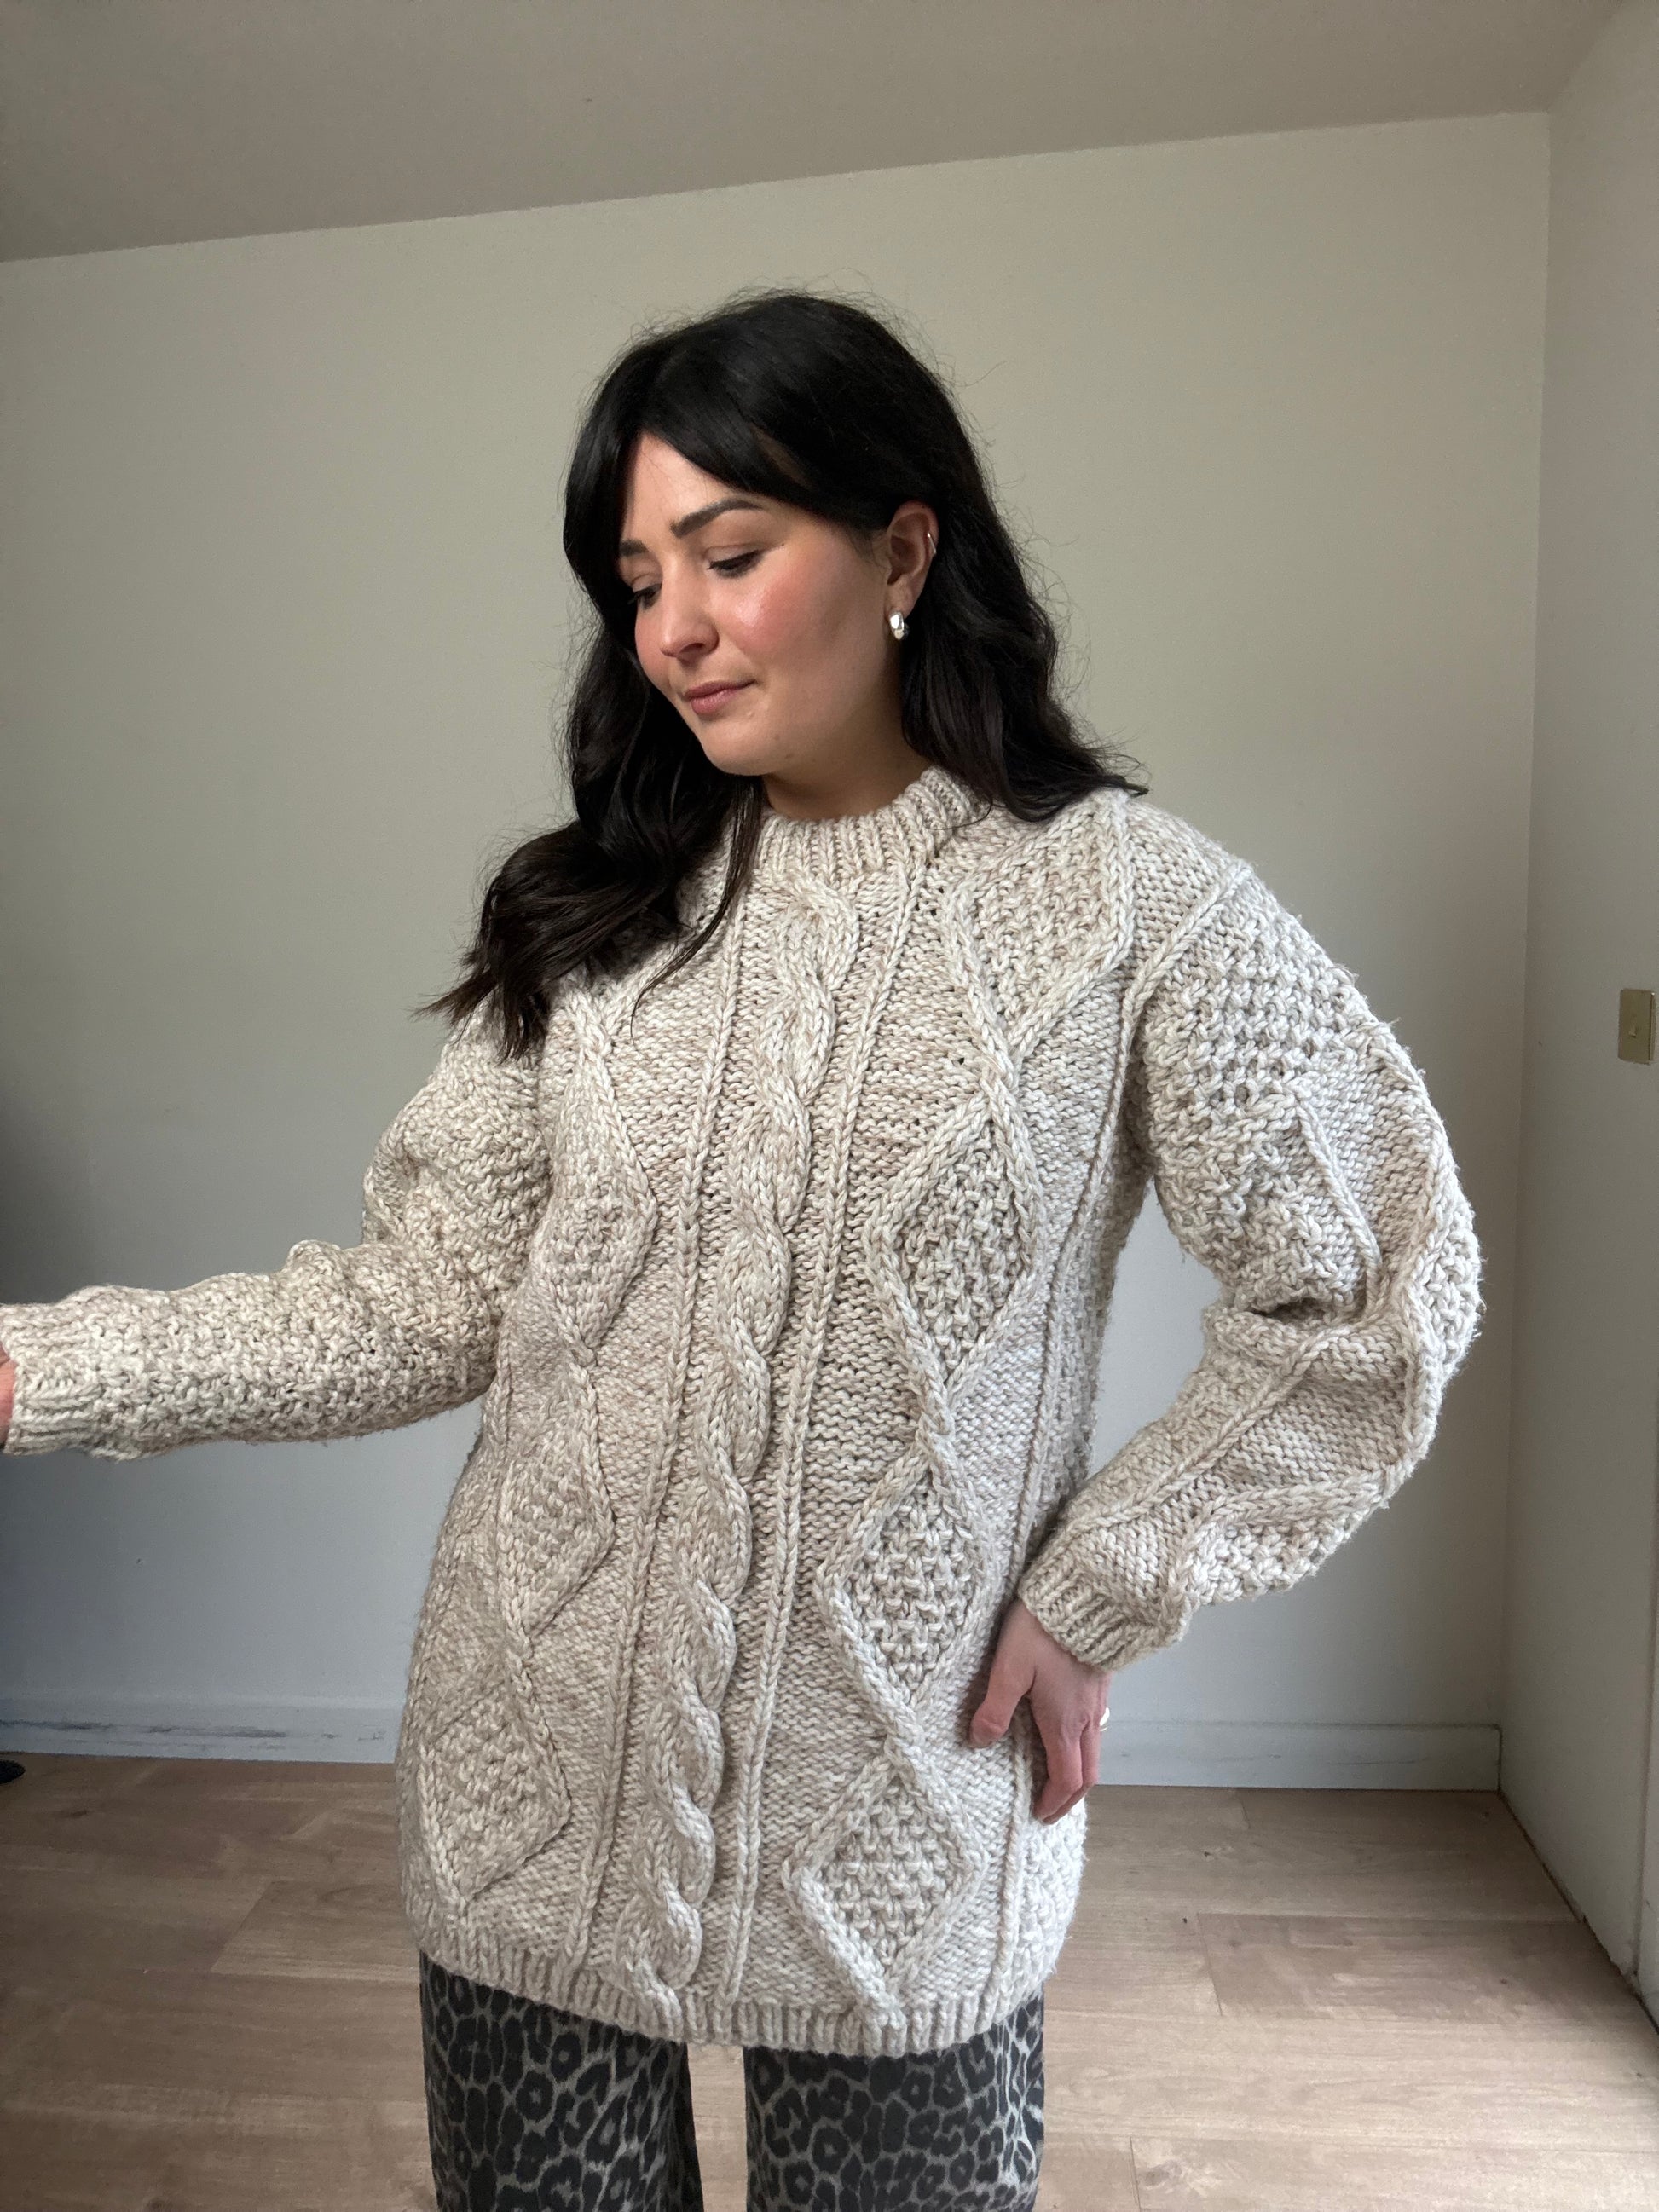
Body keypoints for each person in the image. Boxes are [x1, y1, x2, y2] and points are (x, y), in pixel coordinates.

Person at [0, 286, 1482, 2212]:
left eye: (728, 554)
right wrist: (34, 1365)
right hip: (538, 1782)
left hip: (908, 1807)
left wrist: (1104, 1583)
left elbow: (1374, 1289)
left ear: (902, 551)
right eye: (637, 581)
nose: (672, 629)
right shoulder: (600, 911)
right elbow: (422, 1299)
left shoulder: (1138, 910)